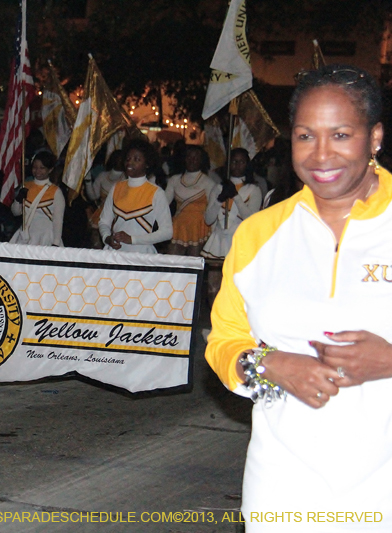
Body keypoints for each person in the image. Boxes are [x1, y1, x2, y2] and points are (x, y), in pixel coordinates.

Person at [205, 64, 392, 530]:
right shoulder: (258, 234)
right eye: (306, 136)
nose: (321, 154)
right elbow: (223, 342)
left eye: (341, 134)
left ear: (374, 138)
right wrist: (271, 365)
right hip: (282, 490)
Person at [200, 148, 262, 306]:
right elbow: (208, 219)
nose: (237, 165)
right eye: (234, 161)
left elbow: (251, 218)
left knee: (236, 288)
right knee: (213, 288)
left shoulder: (253, 190)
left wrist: (235, 196)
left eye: (242, 162)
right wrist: (219, 199)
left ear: (247, 164)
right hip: (218, 242)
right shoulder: (218, 188)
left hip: (240, 242)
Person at [98, 140, 172, 254]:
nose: (130, 163)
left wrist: (132, 239)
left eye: (137, 159)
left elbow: (167, 232)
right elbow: (104, 221)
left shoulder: (156, 193)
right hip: (115, 253)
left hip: (142, 255)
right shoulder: (117, 188)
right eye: (128, 159)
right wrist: (107, 238)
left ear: (147, 164)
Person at [164, 144, 217, 256]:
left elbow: (212, 210)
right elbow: (164, 204)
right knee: (172, 263)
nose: (192, 160)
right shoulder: (174, 180)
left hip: (199, 228)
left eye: (196, 158)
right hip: (179, 226)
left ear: (202, 160)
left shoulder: (208, 182)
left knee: (194, 265)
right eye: (189, 157)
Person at [10, 151, 64, 246]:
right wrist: (18, 200)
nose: (37, 171)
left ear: (50, 169)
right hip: (25, 236)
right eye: (35, 167)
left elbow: (58, 220)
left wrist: (56, 242)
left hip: (46, 237)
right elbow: (16, 212)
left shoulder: (56, 191)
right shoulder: (26, 186)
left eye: (42, 168)